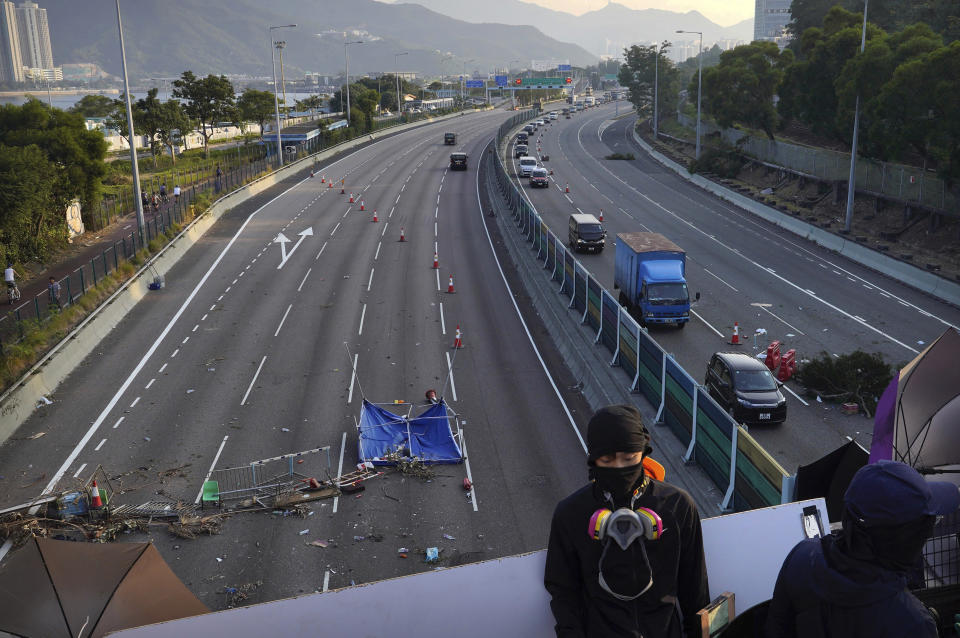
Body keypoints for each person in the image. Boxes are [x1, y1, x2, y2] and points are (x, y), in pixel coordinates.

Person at [544, 404, 709, 638]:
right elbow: (563, 591)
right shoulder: (570, 514)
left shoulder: (678, 506)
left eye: (629, 458)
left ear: (644, 451)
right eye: (607, 461)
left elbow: (696, 589)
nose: (619, 467)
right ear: (593, 459)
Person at [765, 459, 960, 638]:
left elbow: (776, 629)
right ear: (907, 541)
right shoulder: (912, 623)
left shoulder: (802, 557)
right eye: (927, 526)